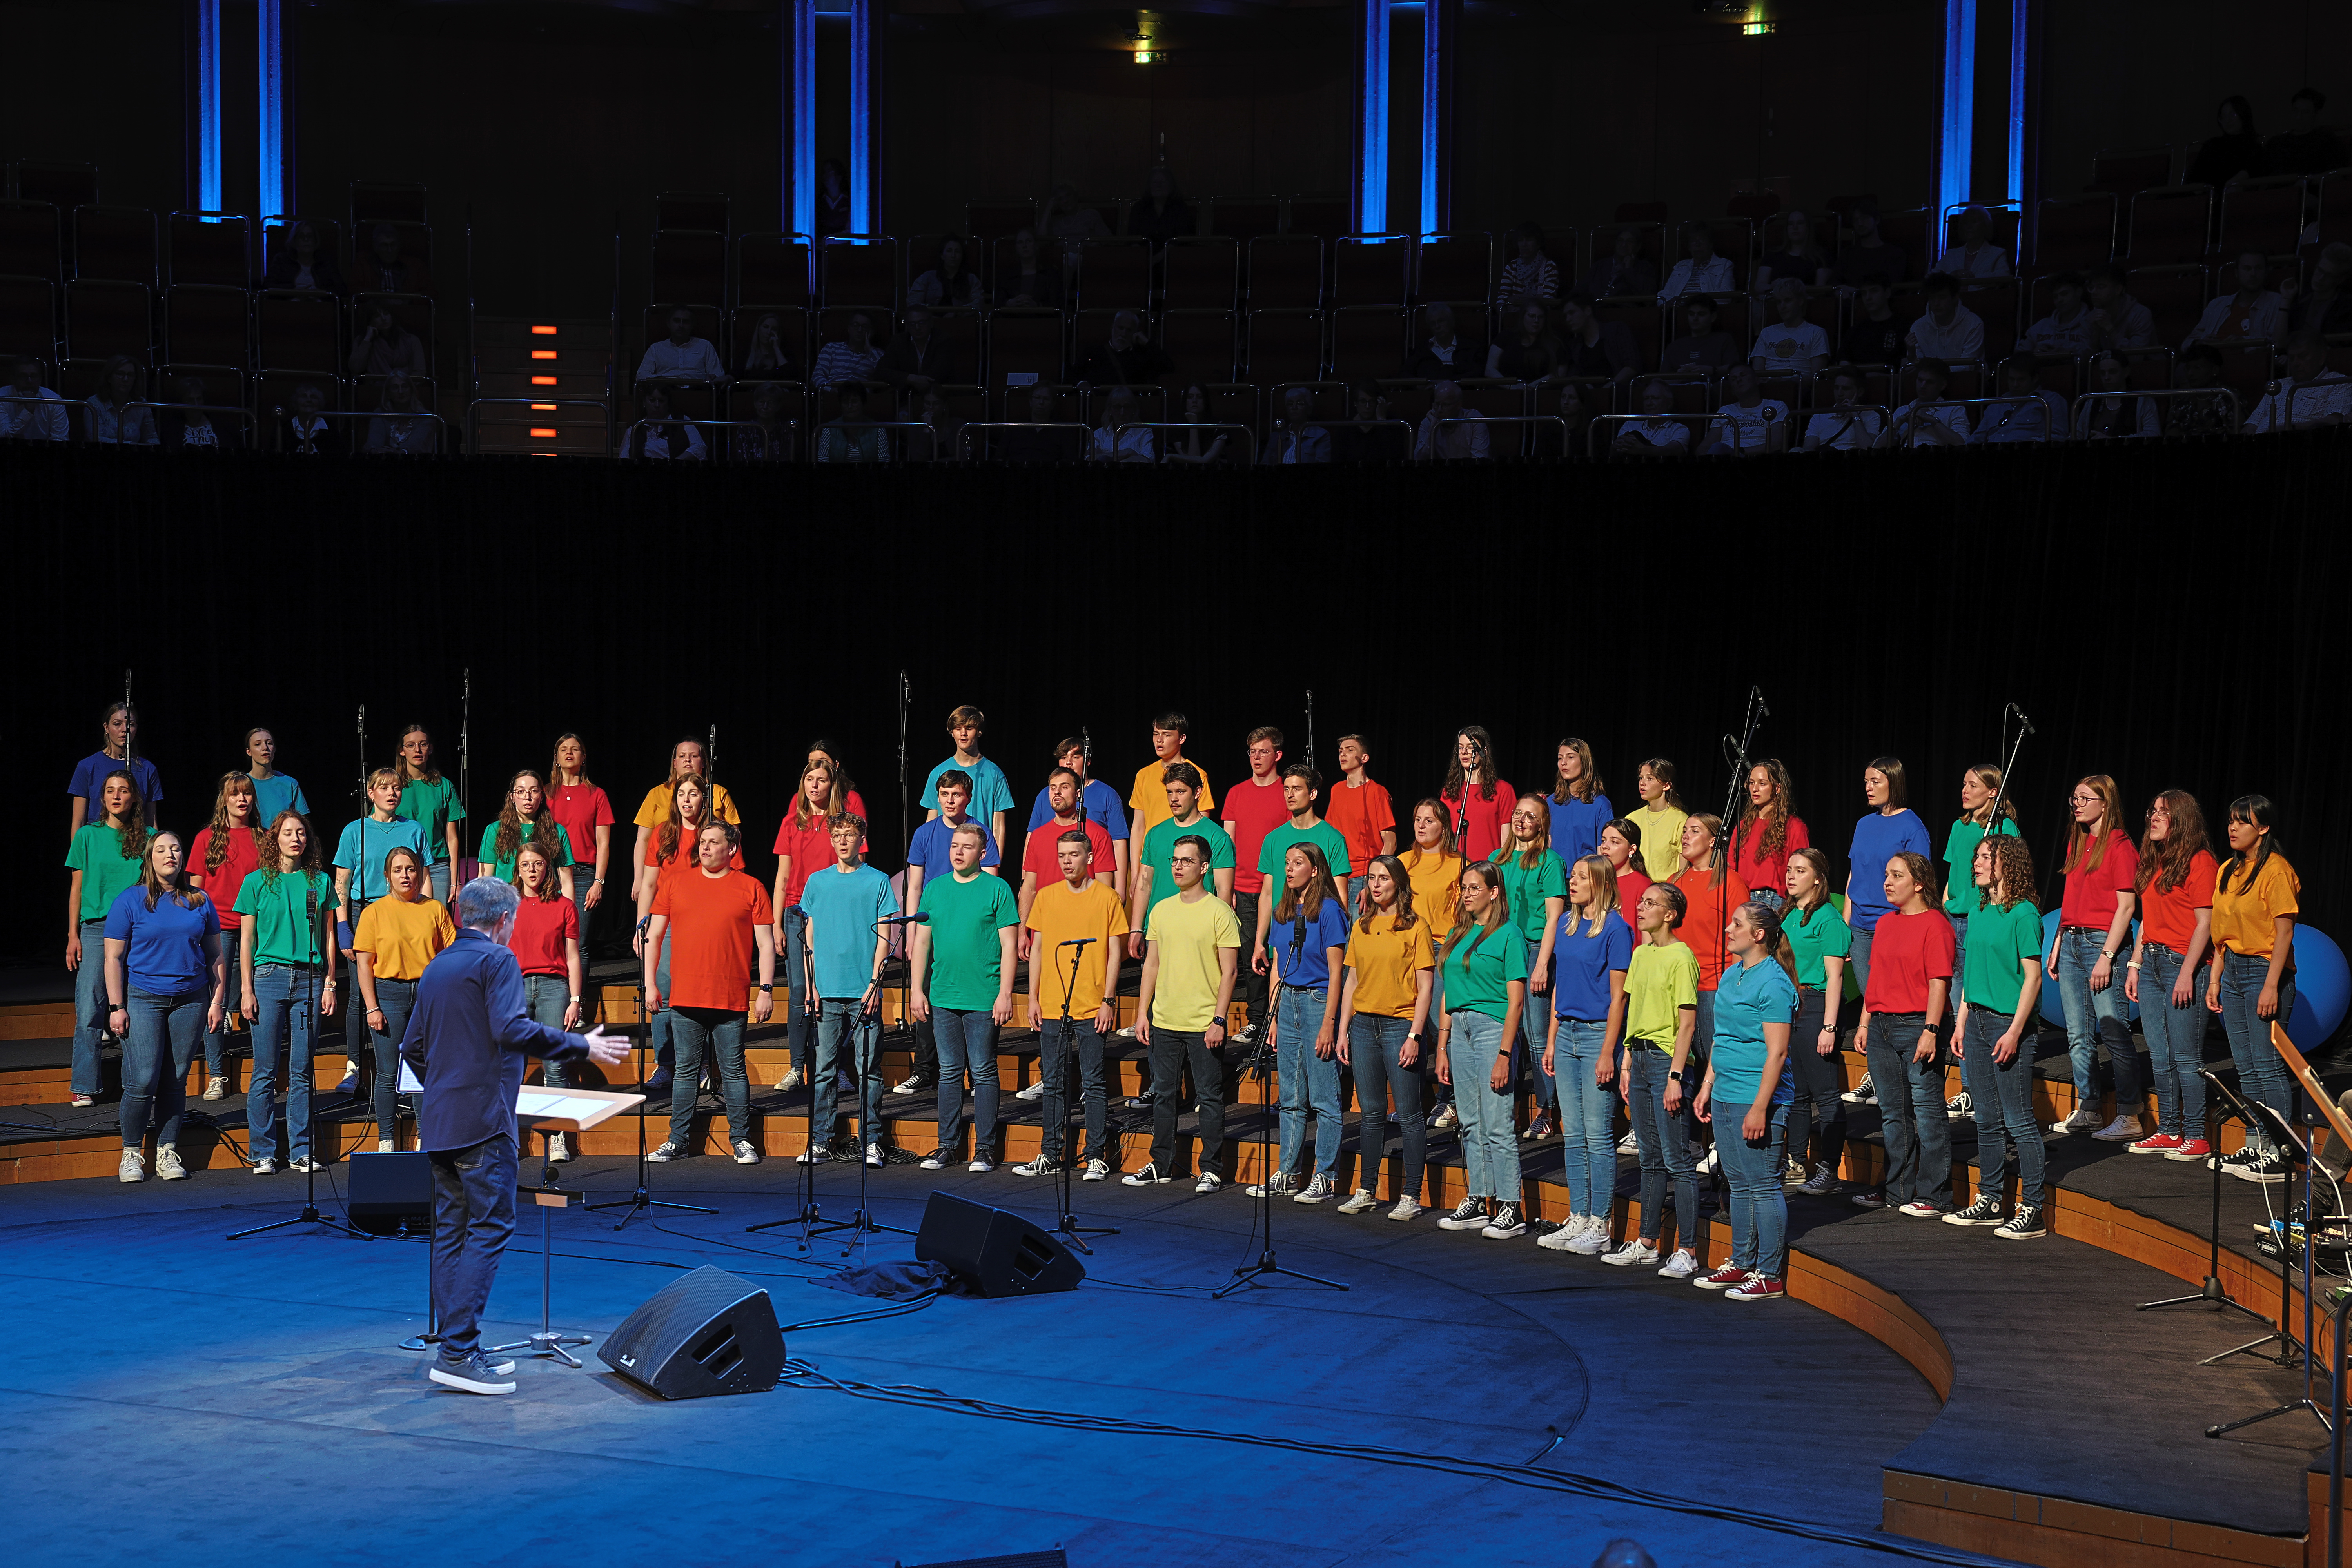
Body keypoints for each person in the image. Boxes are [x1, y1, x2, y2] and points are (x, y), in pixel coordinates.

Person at [401, 875, 627, 1395]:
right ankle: (458, 1353)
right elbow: (511, 1030)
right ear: (505, 920)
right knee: (491, 1226)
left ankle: (457, 1345)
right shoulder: (497, 960)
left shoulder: (438, 965)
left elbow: (412, 1047)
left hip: (441, 1121)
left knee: (453, 1232)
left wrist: (448, 1084)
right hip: (482, 1122)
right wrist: (580, 1046)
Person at [641, 822, 774, 1166]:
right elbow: (654, 937)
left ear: (731, 849)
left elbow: (766, 944)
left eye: (713, 842)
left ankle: (741, 1140)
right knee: (685, 1070)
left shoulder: (751, 887)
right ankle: (678, 1140)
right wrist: (651, 984)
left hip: (730, 997)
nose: (704, 847)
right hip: (686, 997)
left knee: (733, 1070)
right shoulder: (675, 883)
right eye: (702, 841)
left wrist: (766, 989)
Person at [1942, 834, 2051, 1239]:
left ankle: (2033, 1209)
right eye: (1978, 856)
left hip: (2008, 1024)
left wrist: (2015, 1031)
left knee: (2018, 1120)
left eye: (1987, 857)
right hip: (1976, 1021)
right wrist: (1961, 1023)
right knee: (1986, 1119)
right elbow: (1970, 973)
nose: (1977, 863)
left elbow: (2033, 978)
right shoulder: (1979, 908)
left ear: (2010, 864)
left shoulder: (2024, 914)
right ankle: (1989, 1200)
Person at [1691, 901, 1798, 1300]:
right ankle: (1742, 1261)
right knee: (1737, 1182)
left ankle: (1769, 1274)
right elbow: (1721, 1037)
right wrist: (1707, 1085)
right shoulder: (1732, 975)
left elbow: (1777, 1052)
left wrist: (1760, 1107)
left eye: (1737, 924)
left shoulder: (1773, 983)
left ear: (1758, 934)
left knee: (1763, 1185)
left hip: (1757, 1096)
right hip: (1725, 1091)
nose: (1728, 930)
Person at [102, 831, 222, 1183]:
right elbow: (113, 958)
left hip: (191, 999)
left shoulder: (200, 900)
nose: (170, 854)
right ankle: (131, 1152)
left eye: (176, 849)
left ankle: (167, 1150)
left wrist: (217, 1001)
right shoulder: (130, 900)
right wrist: (116, 1006)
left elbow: (215, 955)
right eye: (162, 849)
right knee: (142, 1079)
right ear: (150, 858)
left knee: (175, 1079)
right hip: (144, 998)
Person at [1125, 833, 1241, 1192]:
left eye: (1186, 861)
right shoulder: (1161, 909)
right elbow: (1151, 965)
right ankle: (1161, 1164)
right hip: (1165, 1019)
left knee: (1209, 1097)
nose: (1177, 867)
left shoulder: (1220, 912)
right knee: (1164, 1095)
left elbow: (1230, 972)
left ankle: (1211, 1168)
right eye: (1175, 860)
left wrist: (1219, 1019)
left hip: (1204, 1022)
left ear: (1204, 867)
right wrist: (1142, 1014)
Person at [1016, 828, 1129, 1180]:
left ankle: (1095, 1155)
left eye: (1074, 855)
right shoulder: (1046, 897)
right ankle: (1051, 1154)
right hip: (1053, 1003)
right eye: (1062, 855)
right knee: (1052, 1083)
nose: (1067, 862)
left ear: (1089, 858)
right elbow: (1037, 949)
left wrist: (1109, 1000)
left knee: (1093, 1083)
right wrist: (1033, 998)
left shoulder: (1107, 898)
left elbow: (1115, 953)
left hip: (1093, 1005)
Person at [1599, 883, 1700, 1274]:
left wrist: (1676, 1076)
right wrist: (1626, 1062)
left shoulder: (1682, 957)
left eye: (1651, 903)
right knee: (1650, 1158)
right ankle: (1646, 1242)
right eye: (1641, 901)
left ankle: (1688, 1250)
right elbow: (1634, 1010)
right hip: (1639, 1059)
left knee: (1677, 1159)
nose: (1641, 907)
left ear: (1670, 914)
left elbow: (1687, 1024)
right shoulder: (1641, 953)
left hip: (1665, 1062)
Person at [909, 822, 1019, 1173]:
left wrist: (1005, 993)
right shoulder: (936, 888)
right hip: (944, 994)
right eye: (955, 845)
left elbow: (1009, 945)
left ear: (982, 853)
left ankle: (985, 1149)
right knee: (950, 1072)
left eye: (967, 847)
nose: (958, 852)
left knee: (983, 1070)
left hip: (984, 995)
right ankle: (947, 1146)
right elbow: (922, 942)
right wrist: (916, 989)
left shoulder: (997, 889)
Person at [234, 811, 339, 1175]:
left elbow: (329, 935)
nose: (296, 839)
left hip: (309, 979)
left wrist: (330, 981)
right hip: (268, 977)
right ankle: (263, 1151)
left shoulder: (320, 882)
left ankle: (301, 1151)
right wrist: (246, 989)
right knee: (265, 1070)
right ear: (275, 839)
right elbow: (246, 940)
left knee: (302, 1069)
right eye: (288, 833)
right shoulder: (256, 882)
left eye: (302, 833)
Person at [1850, 852, 1956, 1216]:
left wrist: (1931, 1030)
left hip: (1917, 1025)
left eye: (1897, 875)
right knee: (1893, 1114)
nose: (1887, 882)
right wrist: (1864, 1023)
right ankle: (1897, 1191)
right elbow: (1875, 979)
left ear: (1920, 883)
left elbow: (1939, 982)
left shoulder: (1936, 924)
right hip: (1881, 1025)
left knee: (1927, 1113)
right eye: (1886, 875)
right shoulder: (1885, 924)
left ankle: (1935, 1196)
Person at [1537, 853, 1632, 1255]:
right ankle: (1578, 1215)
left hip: (1597, 1035)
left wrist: (1609, 1051)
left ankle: (1600, 1222)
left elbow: (1619, 997)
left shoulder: (1616, 929)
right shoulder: (1565, 924)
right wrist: (1552, 1038)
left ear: (1602, 884)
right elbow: (1561, 984)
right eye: (1572, 876)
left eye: (1580, 877)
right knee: (1573, 1134)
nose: (1571, 882)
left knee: (1597, 1134)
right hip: (1567, 1033)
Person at [1247, 843, 1353, 1201]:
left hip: (1317, 1002)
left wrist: (1328, 1024)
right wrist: (1274, 1017)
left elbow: (1338, 973)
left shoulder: (1329, 911)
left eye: (1298, 863)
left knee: (1324, 1097)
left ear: (1315, 870)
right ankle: (1288, 1173)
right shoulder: (1283, 910)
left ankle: (1325, 1176)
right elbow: (1279, 966)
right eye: (1287, 863)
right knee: (1291, 1097)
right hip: (1288, 1001)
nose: (1290, 869)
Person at [1432, 861, 1530, 1238]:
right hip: (1460, 1030)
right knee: (1470, 1122)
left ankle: (1510, 1206)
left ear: (1494, 892)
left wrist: (1505, 1054)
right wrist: (1442, 1046)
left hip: (1492, 1030)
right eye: (1464, 888)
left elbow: (1516, 1001)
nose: (1467, 894)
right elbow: (1448, 994)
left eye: (1475, 888)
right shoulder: (1458, 933)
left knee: (1498, 1123)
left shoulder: (1509, 935)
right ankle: (1478, 1197)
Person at [2043, 775, 2144, 1143]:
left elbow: (2127, 907)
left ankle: (2130, 1115)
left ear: (2106, 803)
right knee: (2077, 1034)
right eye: (2075, 798)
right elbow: (2071, 898)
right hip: (2072, 940)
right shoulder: (2078, 840)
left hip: (2102, 943)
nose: (2078, 804)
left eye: (2085, 798)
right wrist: (2058, 941)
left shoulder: (2120, 846)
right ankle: (2089, 1109)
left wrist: (2107, 957)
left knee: (2114, 1031)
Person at [1336, 853, 1436, 1220]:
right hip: (1364, 1026)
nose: (1375, 885)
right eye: (1371, 878)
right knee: (1372, 1113)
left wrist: (1415, 1035)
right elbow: (1351, 980)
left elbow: (1426, 987)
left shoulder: (1416, 927)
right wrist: (1344, 1030)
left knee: (1409, 1114)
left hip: (1400, 1026)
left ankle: (1411, 1195)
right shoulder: (1361, 925)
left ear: (1399, 884)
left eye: (1383, 878)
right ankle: (1366, 1189)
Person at [2205, 796, 2299, 1184]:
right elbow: (2222, 935)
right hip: (2232, 970)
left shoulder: (2277, 870)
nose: (2233, 827)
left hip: (2264, 970)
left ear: (2263, 828)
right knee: (2245, 1066)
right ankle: (2257, 1144)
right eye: (2231, 820)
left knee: (2268, 1064)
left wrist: (2272, 985)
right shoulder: (2227, 870)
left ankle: (2281, 1154)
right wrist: (2215, 979)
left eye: (2243, 821)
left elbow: (2284, 932)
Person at [2121, 791, 2217, 1161]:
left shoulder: (2201, 861)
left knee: (2187, 1056)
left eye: (2164, 813)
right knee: (2160, 1056)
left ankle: (2196, 1135)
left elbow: (2205, 924)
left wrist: (2188, 973)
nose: (2154, 818)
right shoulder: (2156, 861)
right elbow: (2148, 919)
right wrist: (2135, 964)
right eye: (2153, 811)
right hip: (2153, 964)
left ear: (2183, 820)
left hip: (2183, 964)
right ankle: (2169, 1130)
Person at [799, 813, 898, 1166]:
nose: (843, 841)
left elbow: (885, 937)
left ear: (862, 839)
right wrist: (811, 986)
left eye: (850, 835)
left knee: (868, 1070)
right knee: (824, 1070)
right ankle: (820, 1141)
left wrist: (874, 984)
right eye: (838, 835)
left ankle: (871, 1142)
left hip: (862, 992)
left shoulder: (878, 881)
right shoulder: (817, 882)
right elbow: (809, 938)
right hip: (825, 991)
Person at [331, 766, 434, 1095]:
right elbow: (342, 883)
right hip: (366, 913)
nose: (392, 793)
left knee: (406, 989)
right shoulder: (355, 830)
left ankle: (404, 1071)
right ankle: (354, 1067)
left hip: (405, 913)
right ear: (370, 793)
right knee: (361, 994)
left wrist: (427, 916)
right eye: (385, 788)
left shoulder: (414, 829)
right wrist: (343, 926)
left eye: (397, 788)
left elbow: (424, 878)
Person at [770, 754, 868, 1089]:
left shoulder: (841, 827)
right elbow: (783, 876)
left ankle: (836, 1068)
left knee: (832, 991)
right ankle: (797, 1067)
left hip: (834, 913)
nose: (815, 785)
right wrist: (776, 924)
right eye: (810, 779)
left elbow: (857, 869)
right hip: (797, 913)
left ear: (832, 785)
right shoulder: (791, 823)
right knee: (800, 990)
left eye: (822, 780)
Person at [352, 844, 455, 1154]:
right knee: (388, 1071)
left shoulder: (435, 909)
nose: (405, 875)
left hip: (427, 995)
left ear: (420, 874)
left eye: (411, 869)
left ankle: (426, 1136)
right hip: (389, 994)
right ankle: (386, 1139)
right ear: (387, 876)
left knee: (421, 1068)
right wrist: (372, 1007)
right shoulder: (374, 913)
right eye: (398, 870)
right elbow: (364, 965)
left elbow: (451, 958)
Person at [65, 770, 153, 1106]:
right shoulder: (87, 835)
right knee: (90, 1008)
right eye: (110, 791)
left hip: (138, 930)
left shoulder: (148, 837)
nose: (117, 796)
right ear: (102, 798)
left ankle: (139, 1084)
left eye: (124, 790)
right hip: (96, 929)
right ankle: (85, 1084)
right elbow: (77, 888)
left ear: (134, 798)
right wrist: (73, 934)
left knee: (136, 1008)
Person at [1491, 795, 1568, 1137]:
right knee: (1505, 1033)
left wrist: (1542, 965)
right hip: (1503, 948)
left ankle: (1546, 1110)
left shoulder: (1550, 861)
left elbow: (1554, 918)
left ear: (1542, 824)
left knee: (1536, 1035)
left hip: (1535, 948)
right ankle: (1508, 1109)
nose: (1522, 820)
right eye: (1518, 814)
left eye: (1530, 816)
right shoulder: (1496, 859)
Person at [503, 841, 583, 1162]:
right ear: (518, 870)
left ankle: (558, 1136)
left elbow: (573, 956)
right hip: (515, 988)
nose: (532, 870)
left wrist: (575, 999)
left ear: (547, 867)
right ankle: (508, 1138)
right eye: (526, 865)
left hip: (554, 987)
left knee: (556, 1064)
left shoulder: (564, 906)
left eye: (538, 864)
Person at [189, 773, 266, 1100]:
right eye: (235, 794)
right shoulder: (206, 838)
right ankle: (217, 1075)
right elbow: (195, 890)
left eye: (247, 794)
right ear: (225, 800)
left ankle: (265, 1073)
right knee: (216, 1001)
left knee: (259, 998)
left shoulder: (264, 838)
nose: (242, 800)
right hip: (218, 926)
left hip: (256, 928)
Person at [1938, 764, 2021, 1066]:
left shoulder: (2004, 828)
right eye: (1964, 784)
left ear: (1992, 792)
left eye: (1973, 785)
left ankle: (1983, 1069)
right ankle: (1967, 1078)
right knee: (1958, 996)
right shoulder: (1958, 827)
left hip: (1983, 919)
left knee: (1977, 997)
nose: (1965, 791)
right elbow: (1954, 873)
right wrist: (1946, 905)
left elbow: (2014, 876)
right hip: (1955, 919)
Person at [1780, 848, 1851, 1195]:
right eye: (1789, 870)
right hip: (1790, 1005)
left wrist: (1829, 1026)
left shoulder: (1828, 919)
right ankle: (1795, 1161)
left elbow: (1835, 977)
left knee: (1825, 1093)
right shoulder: (1788, 915)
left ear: (1818, 879)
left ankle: (1830, 1170)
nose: (1791, 876)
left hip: (1817, 1005)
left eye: (1800, 871)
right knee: (1795, 1093)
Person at [1220, 727, 1290, 1039]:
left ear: (1278, 755)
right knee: (1253, 957)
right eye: (1252, 752)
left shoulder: (1287, 791)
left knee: (1283, 953)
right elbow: (1228, 843)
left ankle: (1283, 1020)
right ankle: (1258, 1020)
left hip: (1281, 888)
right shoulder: (1237, 793)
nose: (1257, 757)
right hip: (1245, 888)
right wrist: (1230, 886)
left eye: (1264, 752)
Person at [1247, 764, 1354, 970]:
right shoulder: (1273, 839)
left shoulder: (1333, 839)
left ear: (1313, 794)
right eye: (1287, 789)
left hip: (1318, 943)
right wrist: (1260, 941)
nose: (1290, 794)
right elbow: (1267, 894)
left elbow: (1340, 900)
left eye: (1297, 789)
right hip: (1282, 939)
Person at [1843, 757, 1931, 996]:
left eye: (1875, 782)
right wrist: (1846, 924)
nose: (1868, 788)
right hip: (1860, 929)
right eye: (1866, 782)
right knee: (1871, 1000)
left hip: (1893, 925)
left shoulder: (1913, 828)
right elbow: (1855, 874)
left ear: (1894, 783)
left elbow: (1919, 885)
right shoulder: (1864, 824)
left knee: (1894, 998)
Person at [1130, 764, 1235, 964]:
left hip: (1198, 933)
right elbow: (1145, 884)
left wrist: (1216, 935)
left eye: (1181, 792)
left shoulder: (1217, 837)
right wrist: (1136, 929)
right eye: (1169, 792)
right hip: (1157, 932)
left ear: (1197, 792)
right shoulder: (1155, 834)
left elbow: (1224, 891)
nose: (1174, 799)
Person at [1016, 766, 1116, 966]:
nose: (1057, 792)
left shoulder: (1098, 835)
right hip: (1045, 934)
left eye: (1064, 787)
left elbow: (1105, 891)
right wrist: (1023, 931)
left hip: (1084, 936)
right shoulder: (1038, 837)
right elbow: (1029, 888)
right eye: (1053, 788)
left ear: (1078, 794)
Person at [1024, 737, 1130, 895]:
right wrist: (1024, 882)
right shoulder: (1046, 795)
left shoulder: (1107, 795)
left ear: (1088, 761)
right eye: (1063, 757)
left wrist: (1120, 891)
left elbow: (1118, 843)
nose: (1068, 762)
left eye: (1075, 757)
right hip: (1049, 888)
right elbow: (1032, 838)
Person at [546, 734, 615, 953]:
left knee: (579, 943)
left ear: (583, 758)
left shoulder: (597, 795)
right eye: (564, 749)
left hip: (584, 875)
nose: (569, 753)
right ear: (556, 758)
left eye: (575, 749)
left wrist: (598, 882)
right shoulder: (545, 794)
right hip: (550, 873)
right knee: (550, 941)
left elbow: (603, 843)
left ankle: (577, 979)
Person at [922, 704, 1014, 852]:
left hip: (978, 855)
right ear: (952, 733)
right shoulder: (938, 773)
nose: (963, 733)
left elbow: (999, 827)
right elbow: (932, 820)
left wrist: (994, 861)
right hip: (944, 853)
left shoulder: (995, 774)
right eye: (958, 728)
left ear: (979, 732)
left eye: (969, 728)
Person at [393, 724, 467, 904]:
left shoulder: (444, 786)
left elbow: (452, 837)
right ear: (402, 751)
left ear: (431, 749)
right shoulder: (393, 787)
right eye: (411, 745)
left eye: (423, 745)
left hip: (437, 867)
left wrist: (456, 881)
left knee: (435, 917)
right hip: (401, 866)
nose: (418, 750)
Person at [475, 769, 576, 894]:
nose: (528, 798)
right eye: (521, 792)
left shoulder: (557, 831)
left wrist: (569, 907)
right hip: (508, 900)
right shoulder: (495, 830)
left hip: (547, 899)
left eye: (534, 791)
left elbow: (566, 881)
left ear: (542, 796)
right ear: (512, 797)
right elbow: (485, 879)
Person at [69, 700, 162, 835]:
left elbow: (151, 823)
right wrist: (78, 848)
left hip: (137, 843)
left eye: (131, 725)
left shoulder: (147, 769)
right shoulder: (87, 766)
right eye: (117, 724)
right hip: (99, 842)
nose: (125, 730)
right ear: (107, 728)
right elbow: (78, 823)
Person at [1325, 735, 1397, 904]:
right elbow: (1330, 834)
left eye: (1350, 750)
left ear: (1364, 758)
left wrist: (1374, 881)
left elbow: (1391, 843)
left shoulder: (1377, 792)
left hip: (1363, 877)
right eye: (1341, 751)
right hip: (1337, 874)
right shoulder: (1336, 790)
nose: (1343, 755)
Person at [1730, 760, 1807, 911]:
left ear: (1777, 788)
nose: (1755, 789)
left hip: (1775, 900)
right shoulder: (1743, 826)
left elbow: (1802, 869)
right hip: (1743, 897)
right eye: (1752, 783)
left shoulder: (1794, 827)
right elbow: (1732, 865)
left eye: (1762, 784)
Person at [1128, 711, 1214, 844]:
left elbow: (1202, 825)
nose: (1159, 740)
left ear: (1182, 739)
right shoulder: (1143, 775)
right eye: (1156, 734)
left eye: (1167, 735)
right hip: (1152, 852)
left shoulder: (1198, 774)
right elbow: (1139, 826)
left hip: (1184, 851)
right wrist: (1136, 858)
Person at [2244, 331, 2352, 432]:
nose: (2296, 363)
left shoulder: (2338, 383)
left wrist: (2289, 429)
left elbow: (2334, 421)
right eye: (2292, 358)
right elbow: (2253, 424)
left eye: (2302, 356)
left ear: (2321, 358)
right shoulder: (2276, 385)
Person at [1441, 726, 1517, 864]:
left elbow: (1507, 840)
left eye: (1471, 747)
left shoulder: (1503, 790)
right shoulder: (1449, 792)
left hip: (1488, 867)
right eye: (1460, 747)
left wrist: (1501, 867)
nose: (1464, 752)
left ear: (1484, 751)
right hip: (1454, 866)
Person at [2185, 252, 2286, 349]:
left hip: (2247, 358)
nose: (2253, 274)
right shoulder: (2217, 304)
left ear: (2266, 272)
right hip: (2209, 357)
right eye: (2247, 269)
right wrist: (2201, 343)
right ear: (2237, 273)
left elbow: (2275, 344)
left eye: (2258, 268)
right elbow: (2188, 342)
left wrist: (2243, 342)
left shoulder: (2276, 302)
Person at [1880, 358, 1971, 449]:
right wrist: (1899, 422)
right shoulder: (1903, 410)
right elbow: (1876, 448)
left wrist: (1932, 421)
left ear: (1943, 385)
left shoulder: (1955, 409)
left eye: (1930, 382)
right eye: (1920, 380)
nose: (1923, 386)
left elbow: (1962, 445)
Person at [876, 305, 963, 400]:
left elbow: (938, 374)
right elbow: (881, 370)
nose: (917, 328)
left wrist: (908, 381)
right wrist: (909, 378)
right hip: (906, 398)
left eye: (922, 323)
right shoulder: (899, 341)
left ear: (931, 323)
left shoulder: (944, 341)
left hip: (939, 397)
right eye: (912, 324)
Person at [1976, 358, 2070, 444]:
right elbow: (1977, 438)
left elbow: (2057, 437)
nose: (2015, 385)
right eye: (2012, 379)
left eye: (2021, 380)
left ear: (2035, 378)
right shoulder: (1996, 405)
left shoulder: (2051, 400)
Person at [1750, 278, 1829, 374]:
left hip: (1798, 382)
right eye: (1779, 302)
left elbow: (1816, 376)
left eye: (1788, 301)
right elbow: (1757, 373)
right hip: (1768, 382)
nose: (1782, 306)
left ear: (1800, 301)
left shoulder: (1816, 333)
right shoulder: (1767, 332)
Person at [1075, 309, 1172, 387]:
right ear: (1113, 328)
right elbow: (1074, 375)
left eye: (1129, 330)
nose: (1124, 334)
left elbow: (1168, 367)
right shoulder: (1094, 352)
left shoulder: (1141, 355)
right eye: (1121, 328)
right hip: (1099, 400)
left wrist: (1147, 343)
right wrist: (1083, 384)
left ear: (1135, 333)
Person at [1557, 294, 1639, 385]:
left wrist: (1609, 387)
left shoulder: (1616, 331)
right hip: (1588, 392)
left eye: (1572, 313)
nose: (1568, 319)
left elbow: (1632, 366)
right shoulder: (1575, 345)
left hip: (1618, 390)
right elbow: (1575, 373)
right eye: (1566, 316)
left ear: (1588, 311)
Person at [2078, 352, 2160, 440]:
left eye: (2112, 372)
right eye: (2103, 373)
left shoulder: (2142, 399)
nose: (2107, 377)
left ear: (2126, 372)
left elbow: (2154, 434)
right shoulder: (2091, 401)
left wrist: (2112, 440)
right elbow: (2077, 434)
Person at [2265, 87, 2347, 175]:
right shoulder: (2276, 143)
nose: (2298, 117)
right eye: (2296, 111)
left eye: (2305, 112)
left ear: (2316, 114)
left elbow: (2335, 175)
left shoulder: (2328, 143)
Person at [2187, 95, 2265, 188]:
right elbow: (2193, 179)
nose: (2227, 120)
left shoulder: (2254, 148)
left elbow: (2250, 173)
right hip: (2207, 194)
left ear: (2244, 115)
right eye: (2223, 116)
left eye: (2233, 115)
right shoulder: (2211, 145)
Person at [1905, 273, 1983, 365]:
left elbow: (1969, 365)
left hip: (1965, 374)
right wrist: (1912, 355)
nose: (1936, 303)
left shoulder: (1973, 324)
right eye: (1932, 298)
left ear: (1955, 298)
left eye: (1942, 298)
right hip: (1930, 374)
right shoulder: (1918, 327)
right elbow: (1917, 366)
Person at [1629, 758, 1687, 880]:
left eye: (1650, 779)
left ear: (1666, 786)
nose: (1642, 783)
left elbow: (1683, 869)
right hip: (1636, 885)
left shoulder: (1681, 821)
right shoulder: (1632, 819)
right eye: (1641, 778)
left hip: (1665, 888)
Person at [1802, 368, 1884, 451]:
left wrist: (1855, 415)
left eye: (1846, 389)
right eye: (1837, 388)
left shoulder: (1871, 416)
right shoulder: (1820, 416)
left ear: (1860, 392)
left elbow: (1867, 449)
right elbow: (1808, 450)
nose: (1840, 394)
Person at [83, 354, 157, 445]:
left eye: (130, 375)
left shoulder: (141, 404)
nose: (126, 379)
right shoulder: (94, 404)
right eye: (120, 374)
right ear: (109, 377)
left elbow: (152, 438)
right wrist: (132, 445)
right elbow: (95, 439)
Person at [2167, 344, 2238, 436]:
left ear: (2215, 370)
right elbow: (2171, 433)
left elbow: (2238, 435)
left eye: (2198, 368)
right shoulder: (2182, 400)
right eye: (2188, 369)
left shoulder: (2231, 398)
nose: (2190, 373)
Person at [1834, 199, 1908, 286]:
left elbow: (1893, 286)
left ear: (1877, 220)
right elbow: (1834, 281)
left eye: (1864, 218)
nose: (1860, 223)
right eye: (1856, 220)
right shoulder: (1847, 255)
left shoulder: (1895, 254)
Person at [2284, 243, 2352, 337]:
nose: (2320, 278)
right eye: (2320, 270)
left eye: (2329, 275)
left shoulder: (2346, 308)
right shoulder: (2299, 300)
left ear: (2340, 280)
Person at [1486, 301, 1563, 384]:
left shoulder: (1554, 341)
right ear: (1523, 317)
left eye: (1541, 317)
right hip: (1506, 388)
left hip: (1541, 389)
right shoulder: (1506, 337)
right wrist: (1510, 386)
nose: (1537, 320)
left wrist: (1534, 386)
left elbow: (1560, 373)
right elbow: (1490, 370)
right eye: (1531, 316)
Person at [1755, 208, 1831, 292]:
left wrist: (1793, 289)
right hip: (1776, 298)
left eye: (1800, 223)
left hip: (1807, 298)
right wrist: (1773, 287)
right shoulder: (1772, 254)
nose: (1795, 228)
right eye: (1791, 224)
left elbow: (1820, 289)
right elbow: (1759, 286)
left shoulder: (1821, 256)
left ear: (1808, 227)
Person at [362, 370, 436, 455]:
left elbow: (419, 445)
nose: (401, 392)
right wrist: (376, 451)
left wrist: (400, 453)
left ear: (412, 391)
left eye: (405, 387)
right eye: (395, 388)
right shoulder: (380, 414)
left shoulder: (426, 417)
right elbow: (374, 442)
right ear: (388, 393)